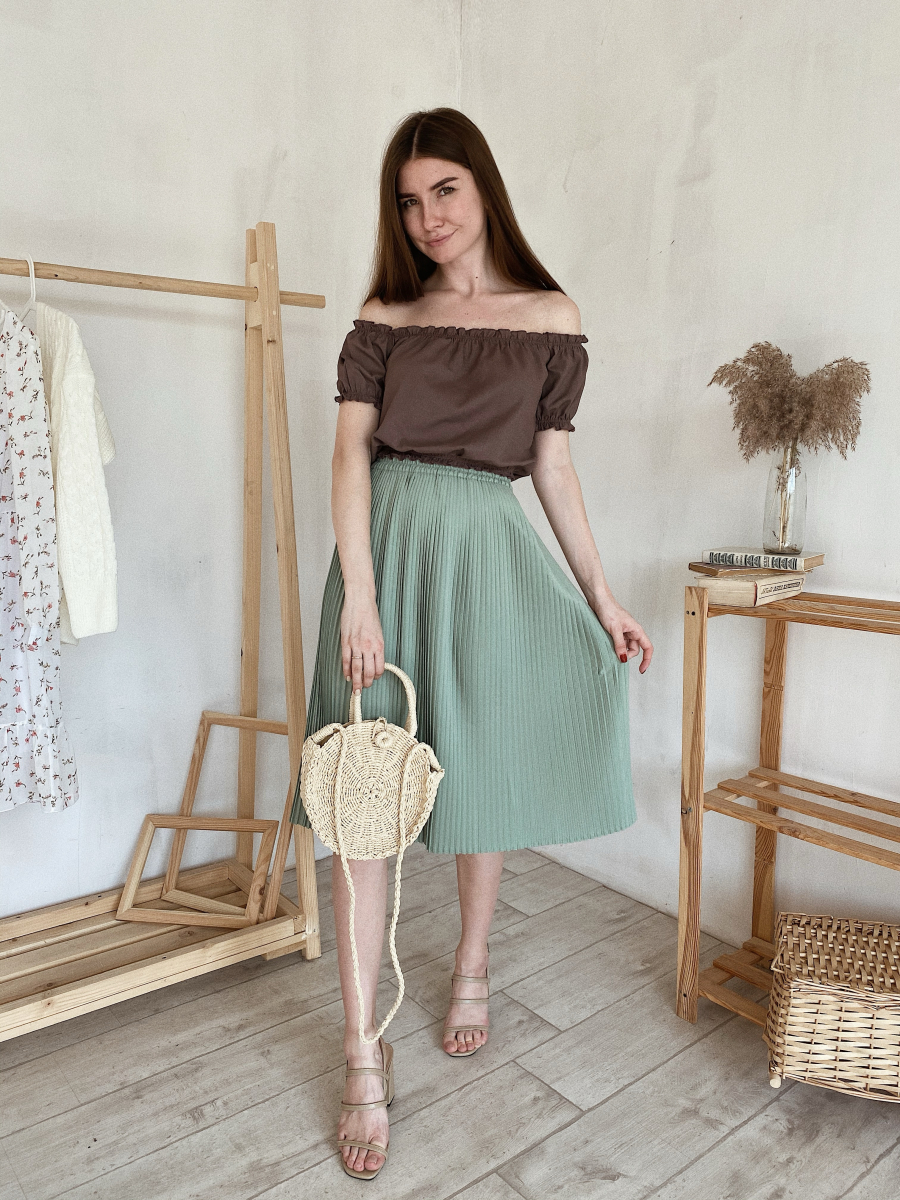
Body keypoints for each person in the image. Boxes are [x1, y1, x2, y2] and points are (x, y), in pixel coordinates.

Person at [289, 106, 653, 1181]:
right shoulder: (385, 314)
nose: (427, 216)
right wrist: (358, 595)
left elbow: (553, 468)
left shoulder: (551, 316)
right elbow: (350, 457)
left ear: (484, 185)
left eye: (444, 189)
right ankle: (362, 1054)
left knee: (479, 772)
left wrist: (602, 597)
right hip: (385, 563)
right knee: (362, 796)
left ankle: (473, 964)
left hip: (487, 563)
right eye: (408, 200)